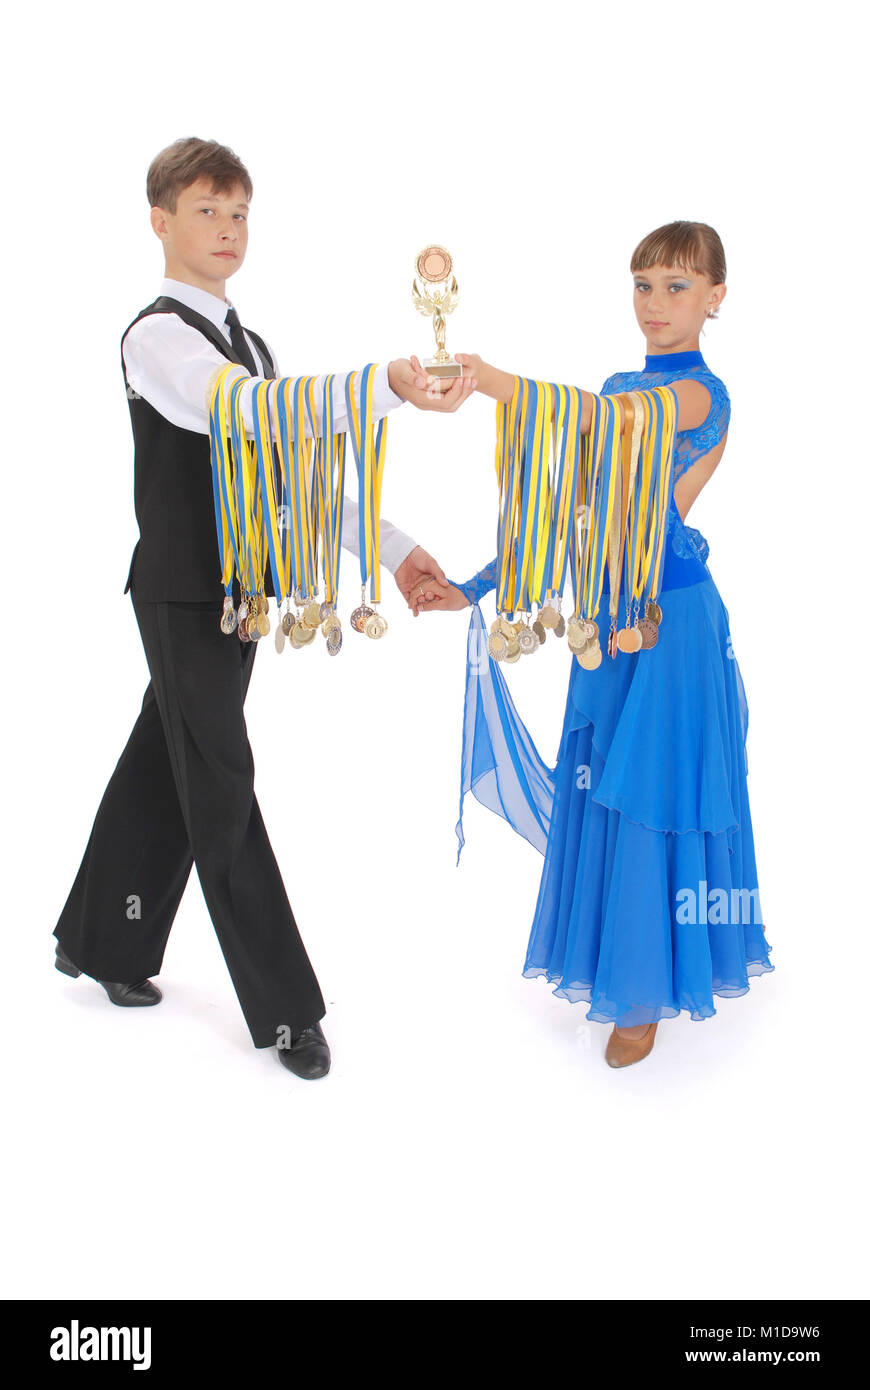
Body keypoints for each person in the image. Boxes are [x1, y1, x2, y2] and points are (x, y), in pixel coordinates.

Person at [52, 137, 476, 1081]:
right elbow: (236, 414)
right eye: (206, 211)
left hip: (243, 588)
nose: (228, 229)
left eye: (239, 212)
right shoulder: (157, 335)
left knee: (169, 760)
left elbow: (300, 481)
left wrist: (400, 555)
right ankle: (287, 1010)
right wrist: (385, 385)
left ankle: (100, 939)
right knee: (222, 783)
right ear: (160, 221)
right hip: (180, 587)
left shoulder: (255, 344)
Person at [411, 221, 773, 1068]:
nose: (656, 303)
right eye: (643, 284)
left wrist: (492, 380)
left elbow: (606, 424)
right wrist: (473, 584)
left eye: (678, 286)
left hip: (669, 622)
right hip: (605, 618)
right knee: (604, 784)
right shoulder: (621, 383)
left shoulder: (697, 397)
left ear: (717, 297)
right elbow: (563, 506)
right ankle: (619, 956)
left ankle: (646, 984)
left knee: (653, 788)